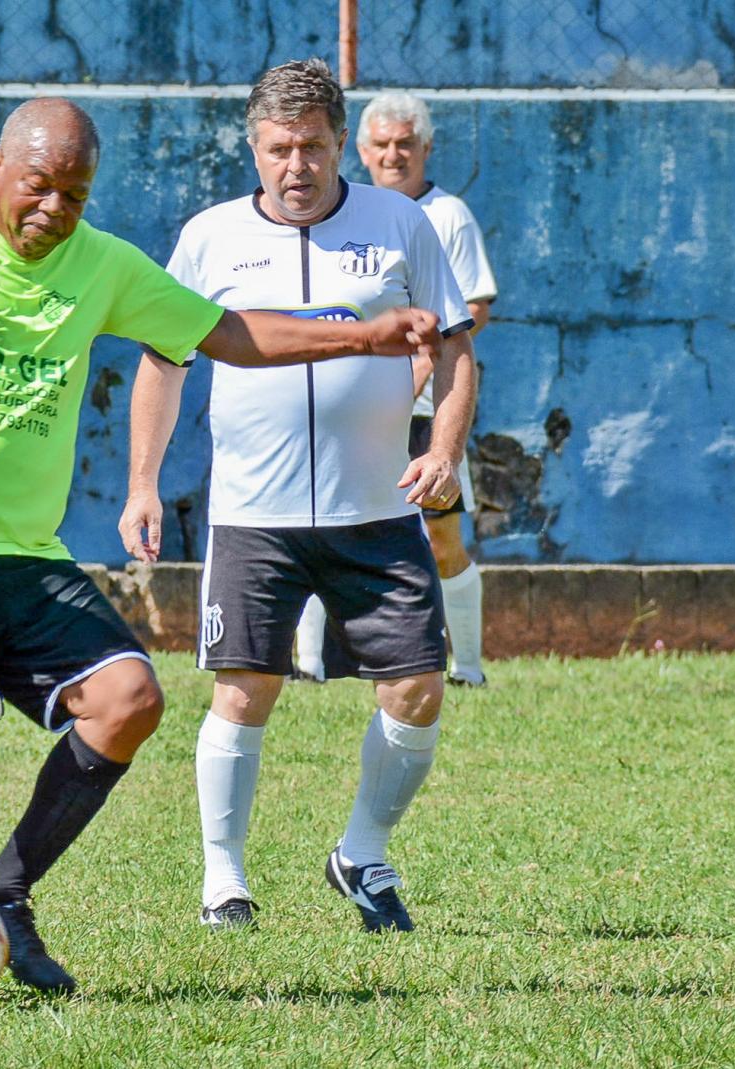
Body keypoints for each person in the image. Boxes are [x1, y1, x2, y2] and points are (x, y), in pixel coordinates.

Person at [0, 97, 441, 993]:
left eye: (74, 196)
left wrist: (367, 332)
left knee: (129, 698)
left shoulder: (103, 263)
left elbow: (226, 333)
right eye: (38, 187)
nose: (53, 211)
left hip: (27, 551)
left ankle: (8, 897)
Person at [117, 60, 478, 935]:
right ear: (253, 146)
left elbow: (459, 350)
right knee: (244, 692)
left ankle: (362, 851)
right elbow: (165, 362)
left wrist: (442, 448)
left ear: (340, 142)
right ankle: (222, 878)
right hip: (254, 515)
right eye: (279, 148)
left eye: (313, 146)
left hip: (377, 510)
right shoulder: (208, 238)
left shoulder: (402, 224)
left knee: (420, 687)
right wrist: (143, 483)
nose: (297, 165)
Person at [295, 90, 498, 687]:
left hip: (423, 409)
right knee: (314, 522)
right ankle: (308, 666)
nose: (393, 155)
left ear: (426, 149)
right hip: (350, 405)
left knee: (439, 533)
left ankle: (469, 668)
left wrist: (420, 350)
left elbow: (474, 306)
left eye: (405, 144)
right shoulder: (342, 214)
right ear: (357, 150)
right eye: (380, 145)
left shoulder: (448, 215)